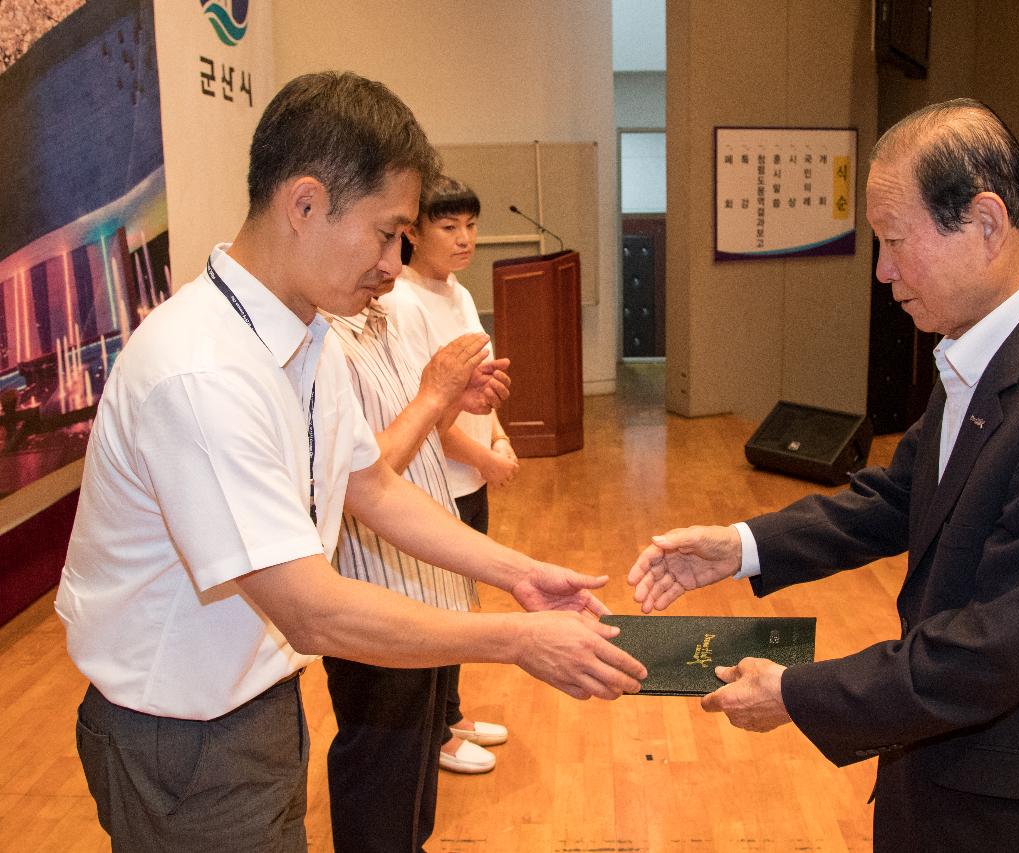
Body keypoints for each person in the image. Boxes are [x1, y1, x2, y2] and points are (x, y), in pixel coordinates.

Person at [55, 71, 645, 853]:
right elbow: (309, 606)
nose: (395, 264)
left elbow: (370, 486)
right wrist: (517, 640)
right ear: (303, 204)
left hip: (251, 700)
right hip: (180, 735)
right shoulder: (200, 370)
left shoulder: (306, 338)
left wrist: (517, 573)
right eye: (386, 232)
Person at [628, 99, 1019, 853]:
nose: (883, 271)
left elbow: (989, 653)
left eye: (894, 241)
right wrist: (741, 545)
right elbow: (899, 494)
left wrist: (795, 691)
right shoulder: (990, 352)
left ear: (987, 224)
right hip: (959, 773)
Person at [322, 281, 506, 848]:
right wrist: (433, 394)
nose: (391, 263)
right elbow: (358, 482)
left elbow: (411, 427)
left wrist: (454, 400)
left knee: (412, 763)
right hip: (372, 585)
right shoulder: (315, 339)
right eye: (384, 234)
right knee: (380, 759)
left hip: (420, 573)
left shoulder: (380, 316)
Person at [381, 175, 517, 774]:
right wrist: (484, 457)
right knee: (436, 611)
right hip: (436, 483)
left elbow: (477, 388)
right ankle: (433, 734)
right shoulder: (402, 303)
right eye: (448, 226)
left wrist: (501, 438)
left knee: (459, 603)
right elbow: (426, 412)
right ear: (412, 233)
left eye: (471, 225)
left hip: (472, 477)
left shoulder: (458, 293)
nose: (465, 239)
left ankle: (451, 713)